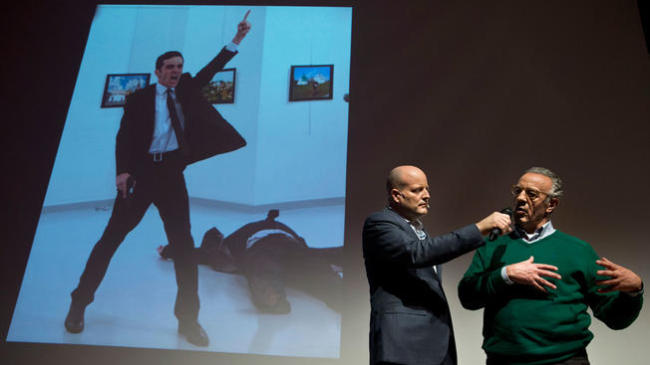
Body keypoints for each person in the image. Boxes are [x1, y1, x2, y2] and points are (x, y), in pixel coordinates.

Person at [64, 11, 252, 347]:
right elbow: (123, 137)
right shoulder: (139, 99)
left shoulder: (188, 89)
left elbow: (213, 67)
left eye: (179, 67)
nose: (176, 72)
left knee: (183, 247)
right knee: (110, 239)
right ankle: (78, 304)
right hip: (141, 175)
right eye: (170, 68)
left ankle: (188, 320)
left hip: (171, 175)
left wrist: (237, 38)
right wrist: (123, 171)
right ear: (158, 71)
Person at [458, 167, 644, 365]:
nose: (520, 198)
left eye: (531, 194)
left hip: (565, 360)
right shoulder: (495, 246)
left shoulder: (578, 251)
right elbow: (468, 297)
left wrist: (633, 292)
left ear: (551, 204)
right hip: (504, 360)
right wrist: (505, 274)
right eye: (517, 191)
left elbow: (615, 319)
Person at [362, 165, 512, 365]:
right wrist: (480, 228)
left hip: (435, 343)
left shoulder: (418, 231)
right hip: (403, 344)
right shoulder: (379, 223)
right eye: (417, 190)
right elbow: (417, 253)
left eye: (427, 189)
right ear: (396, 195)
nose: (426, 195)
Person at [158, 209, 343, 314]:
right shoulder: (239, 240)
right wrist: (170, 250)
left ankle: (343, 296)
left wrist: (169, 250)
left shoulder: (236, 241)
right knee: (273, 265)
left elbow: (203, 254)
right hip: (270, 247)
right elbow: (202, 254)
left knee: (303, 267)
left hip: (280, 246)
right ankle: (272, 296)